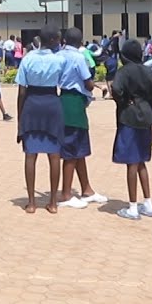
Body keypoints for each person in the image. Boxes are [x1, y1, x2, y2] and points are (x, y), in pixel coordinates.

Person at [15, 25, 65, 214]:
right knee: (54, 155)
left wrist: (21, 118)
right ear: (52, 41)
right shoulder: (59, 60)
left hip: (32, 105)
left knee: (30, 154)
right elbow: (62, 83)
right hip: (52, 103)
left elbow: (21, 91)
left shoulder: (28, 59)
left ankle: (31, 203)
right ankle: (52, 202)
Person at [111, 39, 152, 221]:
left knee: (131, 163)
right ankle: (148, 203)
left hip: (129, 118)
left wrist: (124, 100)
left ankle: (132, 207)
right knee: (141, 162)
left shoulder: (124, 71)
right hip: (146, 117)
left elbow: (116, 89)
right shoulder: (147, 70)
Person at [57, 27, 107, 209]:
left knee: (79, 149)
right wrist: (98, 87)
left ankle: (87, 189)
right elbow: (87, 82)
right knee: (72, 149)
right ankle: (66, 194)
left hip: (63, 98)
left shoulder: (59, 55)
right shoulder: (78, 57)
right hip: (74, 102)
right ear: (80, 41)